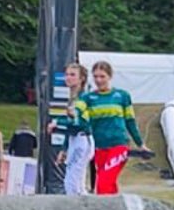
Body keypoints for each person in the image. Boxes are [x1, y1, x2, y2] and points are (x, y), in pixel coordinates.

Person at [86, 61, 147, 195]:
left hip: (118, 144)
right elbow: (84, 123)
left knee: (103, 182)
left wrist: (140, 143)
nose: (98, 80)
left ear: (110, 76)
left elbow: (130, 121)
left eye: (102, 76)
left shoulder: (122, 96)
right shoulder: (88, 98)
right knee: (109, 183)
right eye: (95, 76)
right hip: (99, 146)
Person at [55, 61, 94, 195]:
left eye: (72, 75)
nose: (68, 78)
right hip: (74, 139)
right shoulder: (72, 98)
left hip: (83, 139)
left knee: (72, 181)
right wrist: (64, 148)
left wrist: (57, 122)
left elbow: (82, 123)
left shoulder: (84, 98)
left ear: (81, 79)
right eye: (66, 74)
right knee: (74, 181)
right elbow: (71, 127)